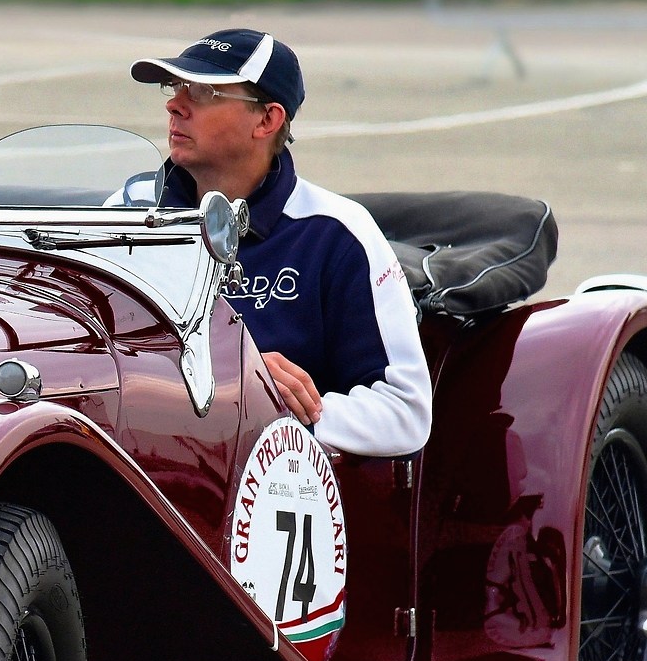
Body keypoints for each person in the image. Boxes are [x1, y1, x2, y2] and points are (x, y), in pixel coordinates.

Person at [127, 29, 431, 458]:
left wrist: (266, 404)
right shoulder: (125, 214)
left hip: (266, 497)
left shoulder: (337, 233)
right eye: (175, 87)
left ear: (267, 120)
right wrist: (235, 380)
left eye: (203, 92)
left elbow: (405, 412)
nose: (175, 104)